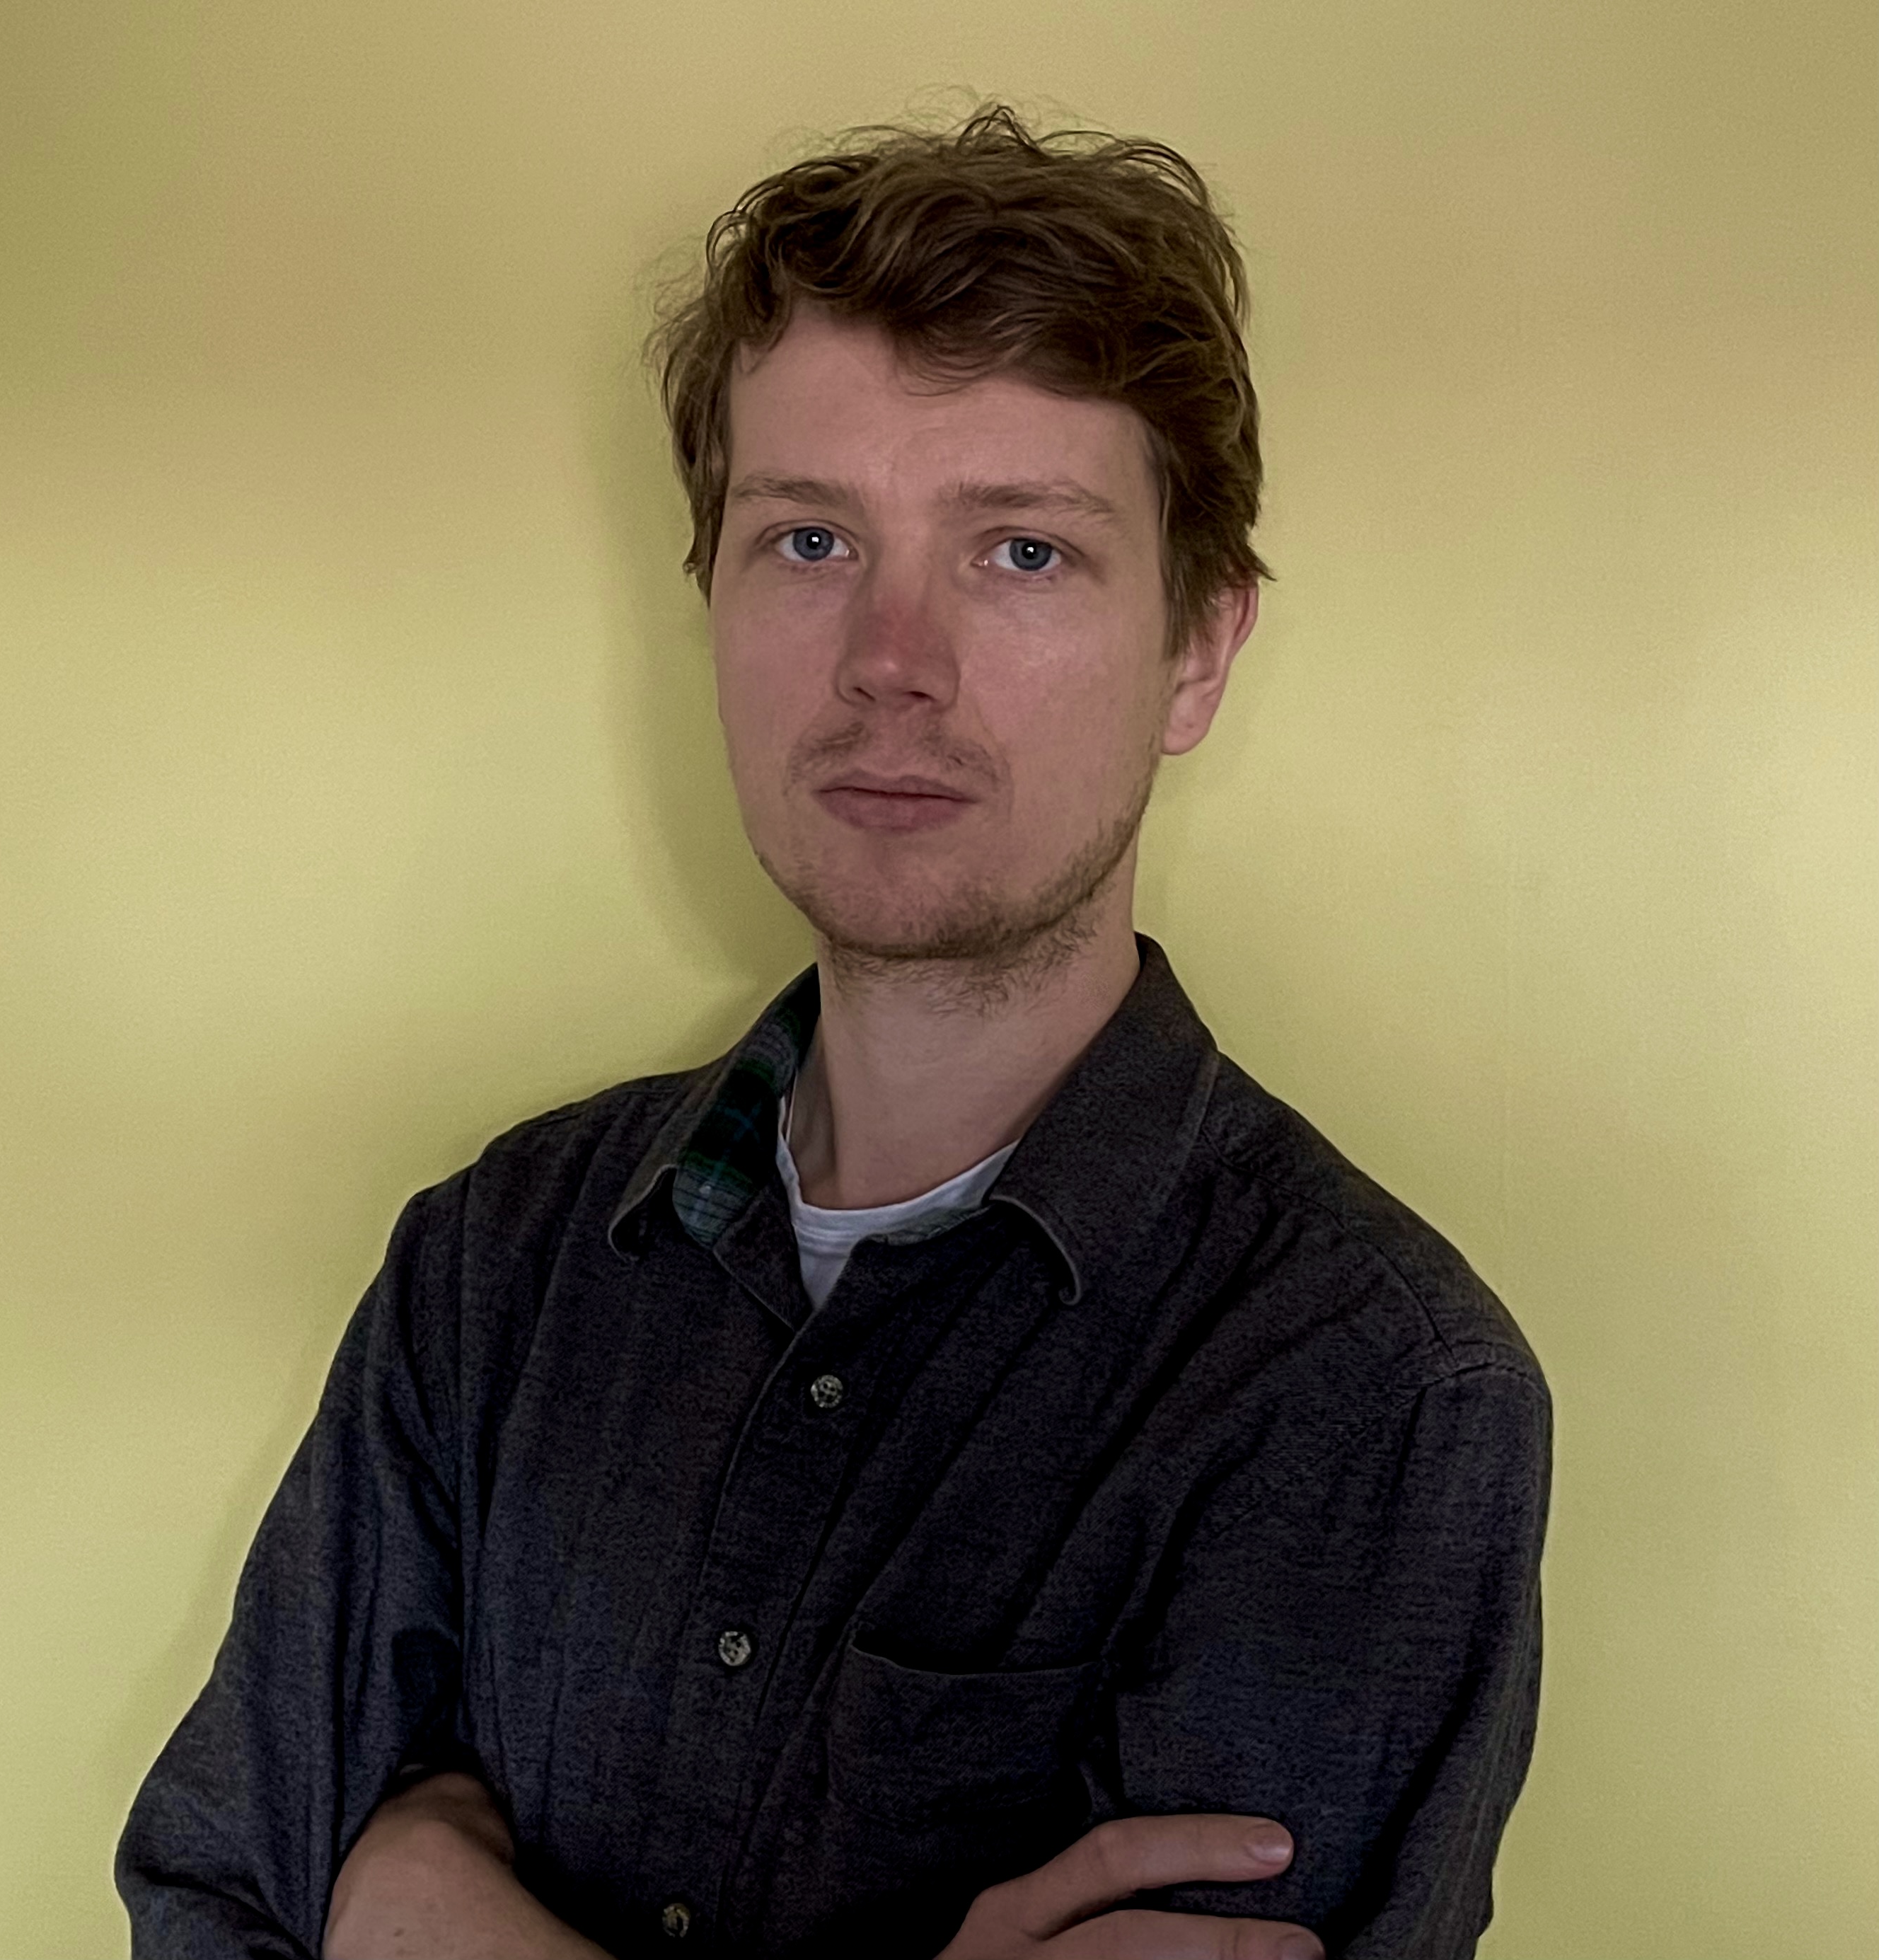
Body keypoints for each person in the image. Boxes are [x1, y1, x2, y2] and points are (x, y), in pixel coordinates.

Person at [117, 105, 1551, 1960]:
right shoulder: (490, 1264)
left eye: (1019, 552)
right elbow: (215, 1890)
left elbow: (307, 1891)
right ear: (707, 592)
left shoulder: (1364, 1385)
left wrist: (411, 1900)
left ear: (1197, 649)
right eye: (808, 538)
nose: (893, 657)